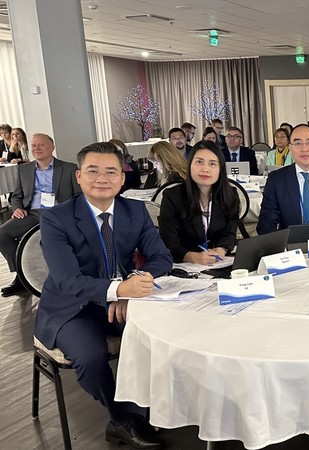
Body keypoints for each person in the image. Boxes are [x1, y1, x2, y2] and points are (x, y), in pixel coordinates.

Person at [34, 142, 172, 449]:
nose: (102, 178)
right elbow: (68, 280)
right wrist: (118, 290)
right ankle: (121, 420)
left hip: (121, 301)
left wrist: (131, 285)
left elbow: (161, 258)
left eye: (111, 171)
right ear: (79, 176)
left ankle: (143, 409)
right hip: (72, 307)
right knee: (91, 357)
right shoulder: (56, 218)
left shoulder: (134, 210)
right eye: (93, 171)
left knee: (161, 338)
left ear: (122, 178)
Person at [0, 133, 81, 296]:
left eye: (41, 145)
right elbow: (16, 196)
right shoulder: (24, 169)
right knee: (2, 233)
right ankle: (22, 276)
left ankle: (60, 277)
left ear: (52, 148)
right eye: (34, 145)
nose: (36, 148)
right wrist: (16, 207)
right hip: (33, 213)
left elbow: (79, 196)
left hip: (59, 213)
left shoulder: (69, 168)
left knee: (52, 240)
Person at [158, 141, 240, 265]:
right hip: (184, 265)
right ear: (190, 165)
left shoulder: (230, 195)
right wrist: (192, 257)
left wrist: (222, 249)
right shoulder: (173, 196)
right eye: (199, 162)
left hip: (218, 263)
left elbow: (230, 232)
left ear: (220, 170)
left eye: (212, 164)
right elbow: (168, 240)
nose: (205, 169)